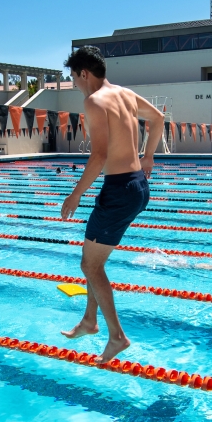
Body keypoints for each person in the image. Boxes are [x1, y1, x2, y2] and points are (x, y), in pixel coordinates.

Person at [59, 46, 165, 363]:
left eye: (74, 78)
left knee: (90, 265)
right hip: (137, 185)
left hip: (119, 190)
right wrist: (149, 155)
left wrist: (75, 193)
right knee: (92, 260)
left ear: (84, 74)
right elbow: (158, 118)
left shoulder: (94, 101)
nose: (75, 84)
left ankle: (116, 336)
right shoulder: (124, 94)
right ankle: (89, 320)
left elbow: (100, 155)